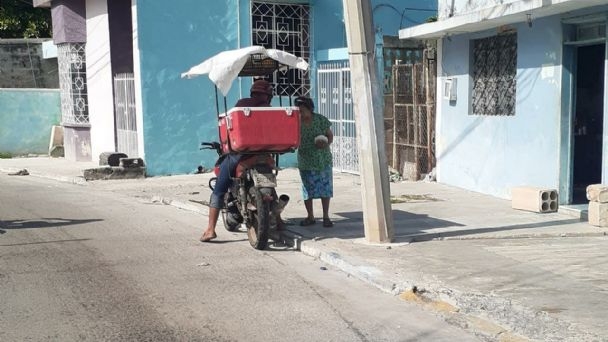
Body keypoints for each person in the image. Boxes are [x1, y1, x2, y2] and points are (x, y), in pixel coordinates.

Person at [200, 79, 274, 242]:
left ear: (253, 92)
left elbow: (232, 128)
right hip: (265, 154)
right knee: (270, 185)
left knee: (219, 189)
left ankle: (210, 229)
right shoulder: (271, 110)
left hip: (241, 154)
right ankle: (279, 221)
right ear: (268, 95)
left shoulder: (243, 103)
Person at [294, 96, 334, 228]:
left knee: (325, 189)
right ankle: (310, 216)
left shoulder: (320, 120)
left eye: (303, 110)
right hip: (305, 160)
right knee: (307, 189)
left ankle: (326, 216)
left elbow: (330, 135)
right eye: (298, 110)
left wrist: (326, 143)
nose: (301, 113)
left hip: (322, 159)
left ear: (310, 109)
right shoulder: (295, 122)